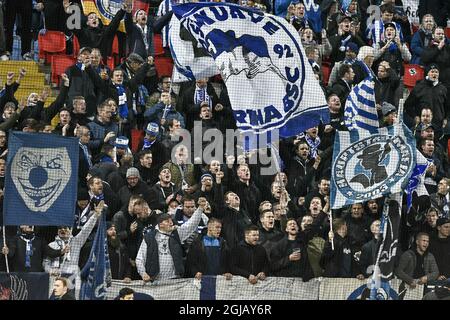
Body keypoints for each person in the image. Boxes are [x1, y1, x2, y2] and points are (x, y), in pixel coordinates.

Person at [135, 203, 205, 282]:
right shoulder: (149, 238)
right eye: (168, 221)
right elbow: (140, 258)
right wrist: (143, 273)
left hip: (174, 279)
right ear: (160, 224)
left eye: (171, 221)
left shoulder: (177, 234)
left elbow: (191, 224)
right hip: (155, 280)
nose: (171, 223)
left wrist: (200, 209)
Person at [43, 201, 105, 275]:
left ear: (70, 230)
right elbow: (45, 263)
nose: (63, 230)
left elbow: (86, 229)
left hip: (72, 277)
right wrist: (50, 271)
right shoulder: (51, 245)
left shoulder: (77, 241)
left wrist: (95, 215)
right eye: (60, 228)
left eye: (65, 228)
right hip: (55, 276)